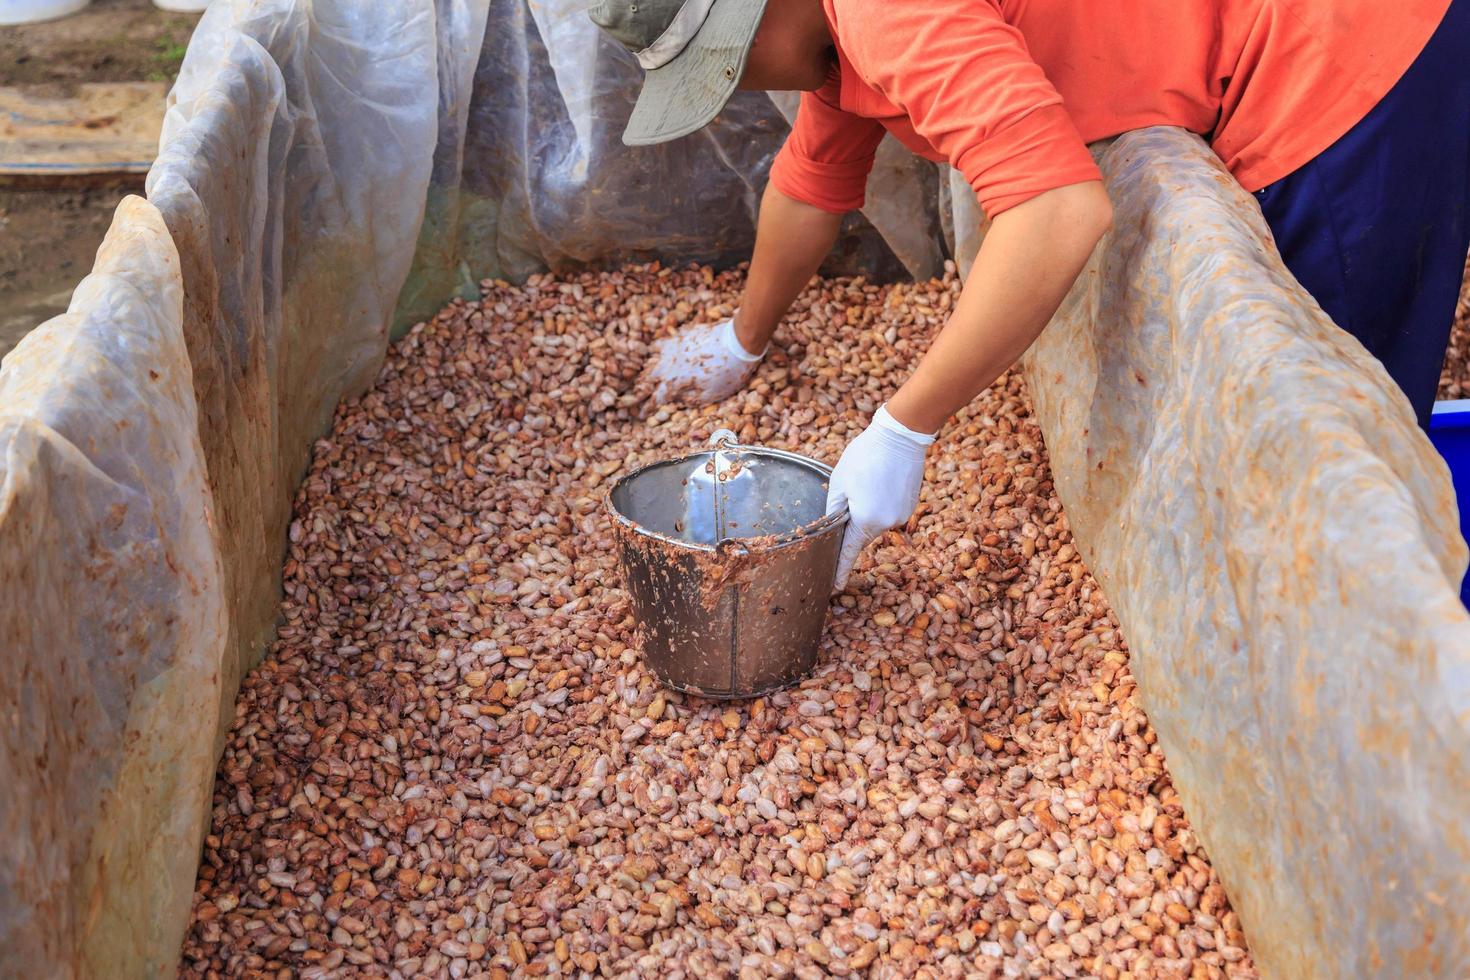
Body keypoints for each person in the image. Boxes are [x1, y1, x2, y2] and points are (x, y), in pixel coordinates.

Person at [589, 0, 1469, 589]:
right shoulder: (838, 34)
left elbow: (1055, 209)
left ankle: (1373, 663)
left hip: (1349, 43)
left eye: (730, 64)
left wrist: (901, 432)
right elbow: (812, 180)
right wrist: (741, 343)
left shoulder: (883, 9)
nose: (743, 84)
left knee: (1328, 419)